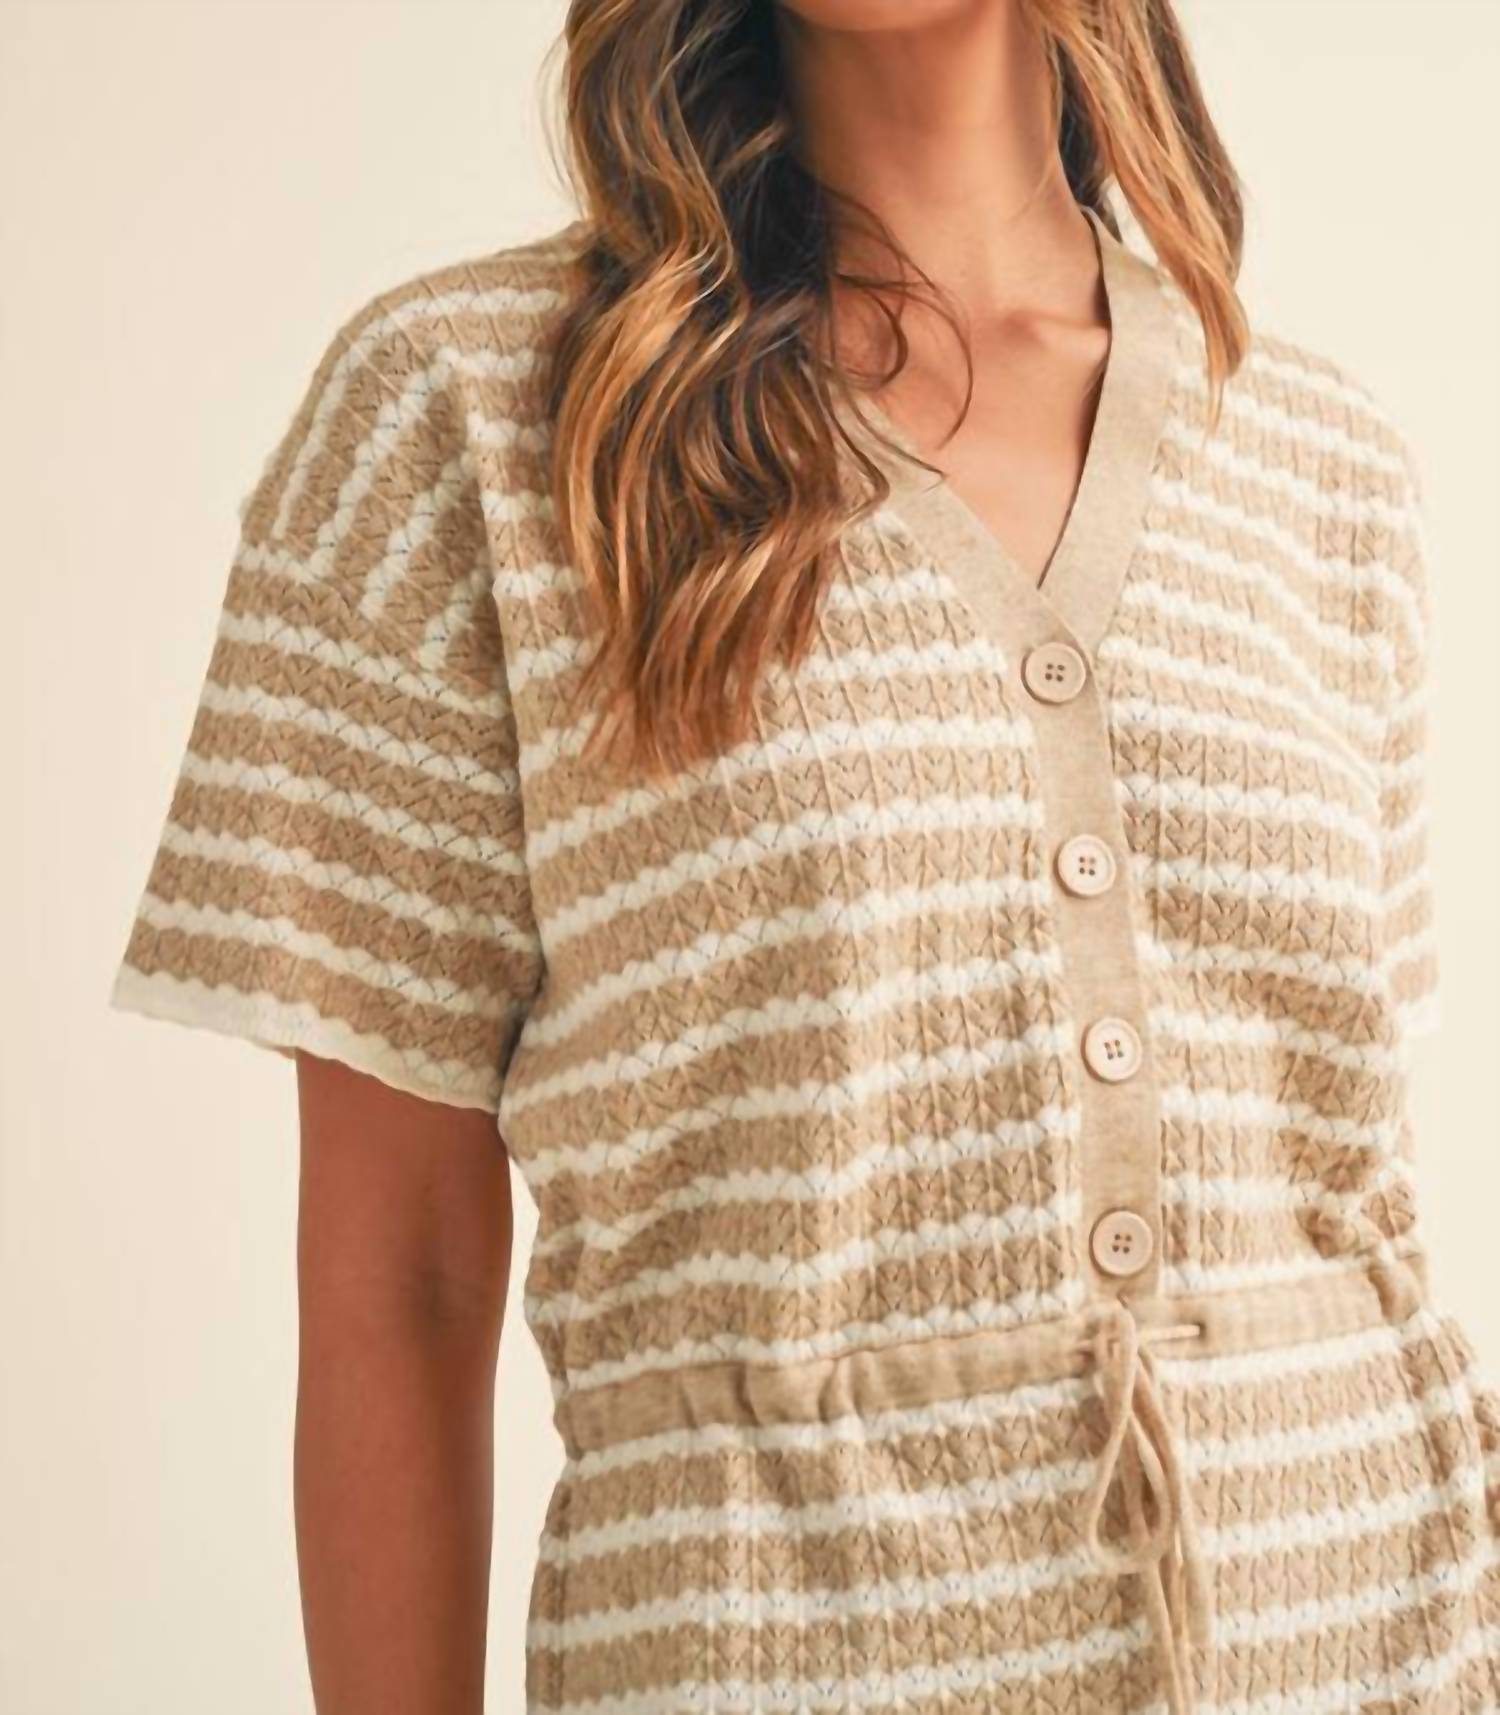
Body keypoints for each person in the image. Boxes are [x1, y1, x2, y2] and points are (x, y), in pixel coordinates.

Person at [108, 1, 1500, 1710]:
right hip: (768, 1647)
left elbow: (1346, 1177)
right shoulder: (464, 419)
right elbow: (403, 1269)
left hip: (1379, 1636)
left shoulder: (1320, 460)